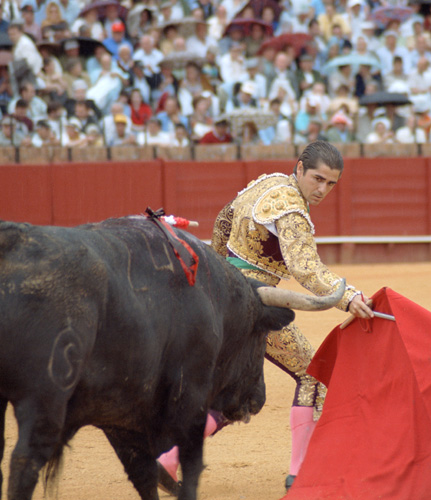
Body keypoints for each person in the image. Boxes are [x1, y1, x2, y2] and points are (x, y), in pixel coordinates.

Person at [156, 141, 374, 494]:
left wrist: (218, 273)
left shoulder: (268, 182)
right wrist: (348, 297)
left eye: (330, 184)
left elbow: (225, 218)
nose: (321, 190)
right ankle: (300, 473)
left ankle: (167, 459)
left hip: (222, 297)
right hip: (254, 304)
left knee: (237, 392)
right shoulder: (290, 208)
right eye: (317, 179)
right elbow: (305, 268)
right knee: (312, 373)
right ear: (300, 168)